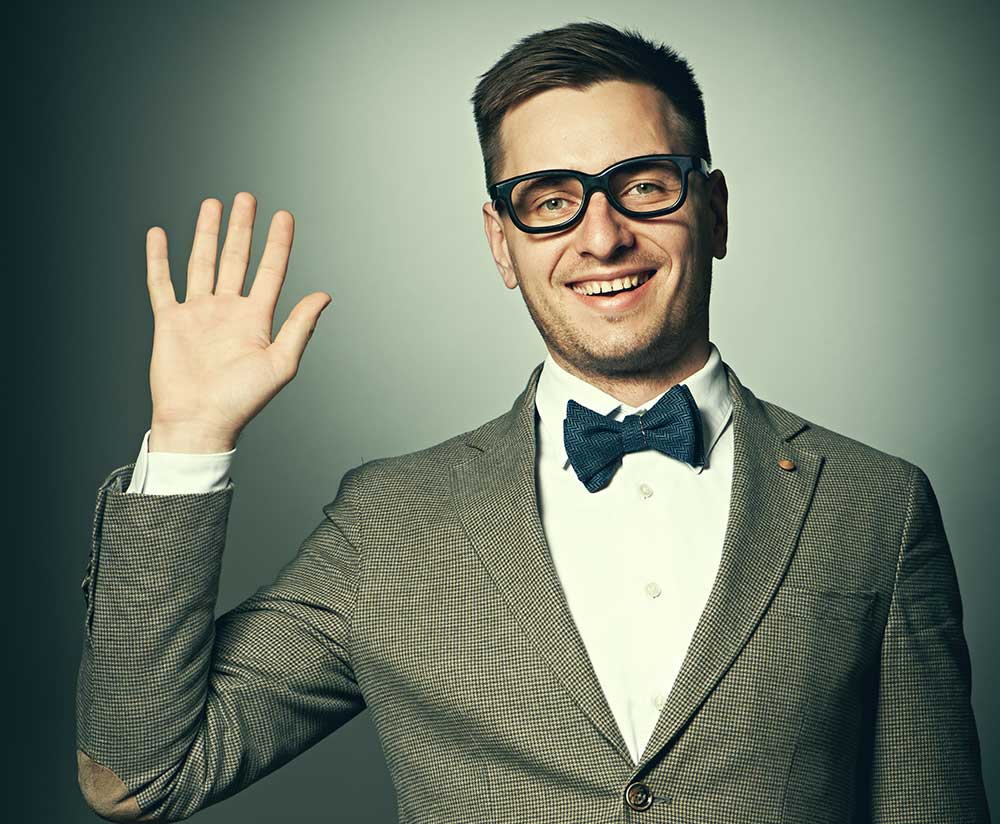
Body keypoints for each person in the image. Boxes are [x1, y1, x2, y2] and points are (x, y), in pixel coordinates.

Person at [76, 20, 990, 823]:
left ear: (712, 210)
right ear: (501, 243)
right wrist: (191, 439)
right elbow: (137, 775)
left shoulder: (878, 503)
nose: (601, 236)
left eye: (643, 185)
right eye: (550, 200)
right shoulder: (390, 523)